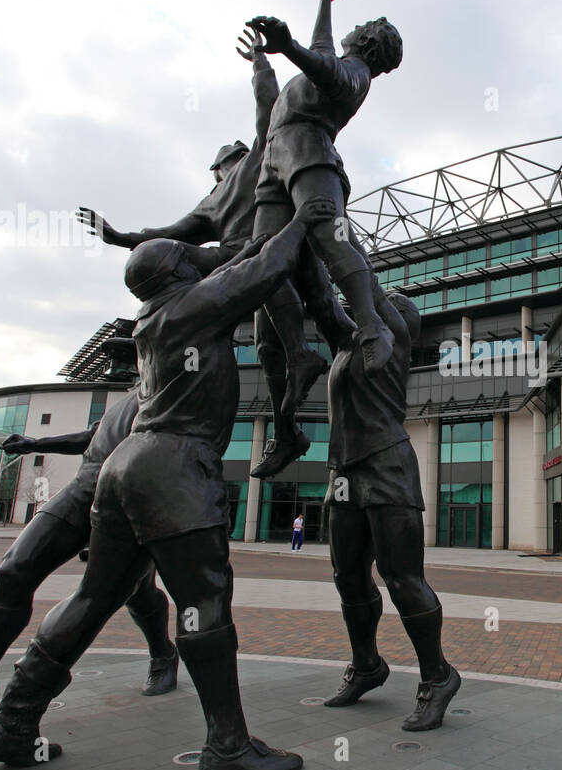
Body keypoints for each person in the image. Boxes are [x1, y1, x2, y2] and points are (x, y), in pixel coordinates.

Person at [0, 198, 339, 770]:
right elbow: (266, 268)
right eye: (190, 261)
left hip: (124, 468)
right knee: (205, 599)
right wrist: (303, 219)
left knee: (93, 596)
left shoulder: (151, 320)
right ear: (176, 276)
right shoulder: (189, 307)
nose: (199, 264)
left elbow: (241, 266)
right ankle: (228, 746)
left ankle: (14, 719)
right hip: (175, 465)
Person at [76, 26, 356, 483]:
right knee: (268, 342)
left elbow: (267, 115)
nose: (222, 172)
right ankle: (291, 409)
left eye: (222, 165)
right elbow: (171, 238)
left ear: (226, 163)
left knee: (275, 311)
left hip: (264, 252)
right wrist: (122, 238)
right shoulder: (217, 195)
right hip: (244, 260)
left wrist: (261, 63)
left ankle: (298, 380)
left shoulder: (254, 164)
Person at [0, 395, 177, 732]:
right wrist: (35, 443)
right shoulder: (130, 395)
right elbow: (90, 438)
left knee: (134, 589)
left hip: (132, 496)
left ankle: (163, 653)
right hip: (85, 486)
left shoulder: (174, 379)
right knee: (14, 569)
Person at [243, 0, 404, 478]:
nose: (351, 29)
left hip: (310, 150)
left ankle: (370, 325)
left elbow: (326, 64)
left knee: (331, 239)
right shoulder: (337, 58)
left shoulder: (357, 72)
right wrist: (324, 2)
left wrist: (287, 44)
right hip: (276, 160)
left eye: (359, 25)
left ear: (369, 42)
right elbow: (318, 48)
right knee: (263, 268)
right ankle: (290, 407)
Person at [320, 291, 460, 731]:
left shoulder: (392, 338)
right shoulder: (347, 343)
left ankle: (438, 677)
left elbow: (356, 278)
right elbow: (319, 291)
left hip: (388, 465)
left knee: (402, 579)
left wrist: (330, 226)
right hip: (344, 472)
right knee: (348, 577)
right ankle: (366, 666)